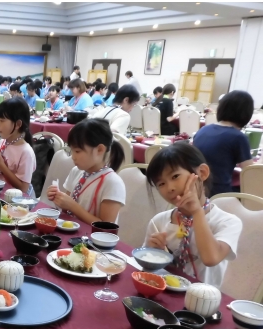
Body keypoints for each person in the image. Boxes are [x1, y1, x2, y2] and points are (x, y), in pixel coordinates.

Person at [144, 143, 242, 288]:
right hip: (163, 294)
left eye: (175, 176)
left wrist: (197, 211)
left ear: (202, 173)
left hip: (202, 303)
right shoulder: (158, 222)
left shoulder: (227, 222)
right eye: (161, 183)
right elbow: (145, 272)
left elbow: (211, 258)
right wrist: (153, 255)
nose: (170, 188)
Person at [47, 118, 126, 224]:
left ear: (99, 150)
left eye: (77, 151)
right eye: (72, 150)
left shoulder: (112, 183)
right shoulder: (76, 171)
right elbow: (67, 211)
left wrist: (72, 206)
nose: (73, 157)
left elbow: (106, 228)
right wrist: (59, 199)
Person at [192, 90, 254, 196]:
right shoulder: (238, 137)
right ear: (246, 114)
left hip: (196, 190)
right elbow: (250, 173)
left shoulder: (203, 130)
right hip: (219, 195)